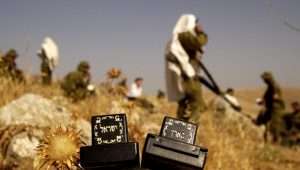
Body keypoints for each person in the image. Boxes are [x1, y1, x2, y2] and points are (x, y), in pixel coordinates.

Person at [165, 14, 208, 123]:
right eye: (195, 23)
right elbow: (198, 42)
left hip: (188, 74)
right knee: (195, 103)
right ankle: (189, 129)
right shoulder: (184, 35)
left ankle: (180, 128)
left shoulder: (180, 36)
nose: (196, 25)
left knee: (185, 103)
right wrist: (201, 33)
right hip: (188, 76)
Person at [255, 71, 286, 143]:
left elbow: (275, 97)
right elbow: (266, 97)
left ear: (269, 78)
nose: (264, 81)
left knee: (275, 125)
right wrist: (263, 101)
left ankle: (276, 141)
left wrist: (265, 101)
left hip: (276, 108)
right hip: (270, 107)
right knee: (262, 119)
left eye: (264, 79)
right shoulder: (270, 87)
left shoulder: (274, 86)